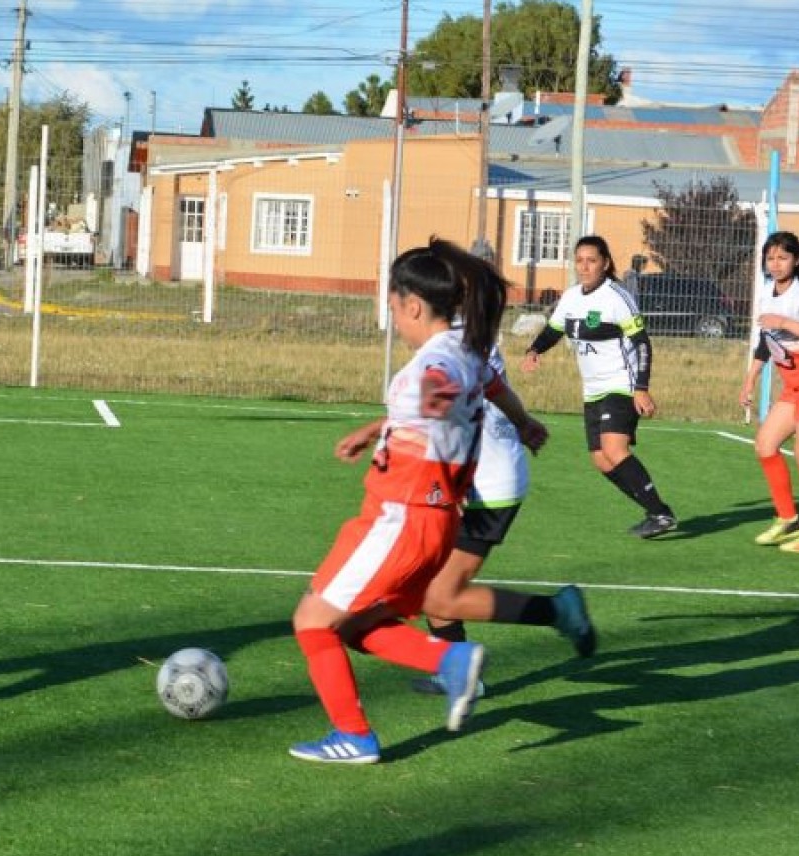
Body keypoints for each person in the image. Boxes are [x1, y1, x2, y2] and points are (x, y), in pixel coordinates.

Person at [288, 238, 545, 765]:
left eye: (393, 311)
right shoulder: (467, 348)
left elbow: (439, 393)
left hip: (400, 515)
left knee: (312, 621)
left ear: (412, 305)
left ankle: (356, 735)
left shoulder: (441, 360)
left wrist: (431, 413)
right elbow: (492, 389)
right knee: (356, 626)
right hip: (428, 520)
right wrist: (521, 422)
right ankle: (449, 663)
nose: (394, 324)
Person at [408, 339, 597, 699]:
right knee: (433, 578)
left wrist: (449, 481)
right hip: (480, 475)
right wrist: (522, 423)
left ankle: (557, 611)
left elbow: (451, 411)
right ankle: (454, 669)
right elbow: (490, 389)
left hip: (483, 484)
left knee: (438, 595)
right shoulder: (460, 332)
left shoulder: (455, 338)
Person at [521, 235, 677, 539]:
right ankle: (655, 509)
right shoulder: (571, 297)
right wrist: (534, 349)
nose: (584, 266)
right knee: (601, 460)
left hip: (621, 384)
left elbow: (642, 343)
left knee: (614, 449)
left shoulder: (616, 297)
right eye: (579, 260)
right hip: (592, 390)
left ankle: (659, 513)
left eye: (591, 260)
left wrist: (641, 387)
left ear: (605, 263)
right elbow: (553, 330)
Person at [738, 231, 799, 548]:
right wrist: (750, 378)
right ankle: (789, 518)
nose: (776, 264)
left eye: (783, 257)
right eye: (771, 257)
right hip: (793, 385)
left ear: (797, 260)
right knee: (765, 444)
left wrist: (786, 323)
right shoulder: (767, 292)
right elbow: (766, 341)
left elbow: (785, 328)